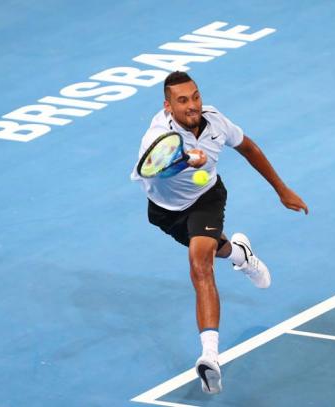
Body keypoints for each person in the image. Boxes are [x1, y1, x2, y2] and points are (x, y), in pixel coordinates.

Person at [131, 71, 308, 394]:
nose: (192, 105)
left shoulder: (215, 122)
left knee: (200, 264)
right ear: (168, 106)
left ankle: (209, 357)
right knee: (218, 249)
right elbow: (153, 171)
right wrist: (185, 161)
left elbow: (249, 148)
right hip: (164, 212)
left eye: (195, 96)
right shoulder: (156, 136)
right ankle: (241, 254)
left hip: (206, 199)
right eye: (182, 100)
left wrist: (282, 190)